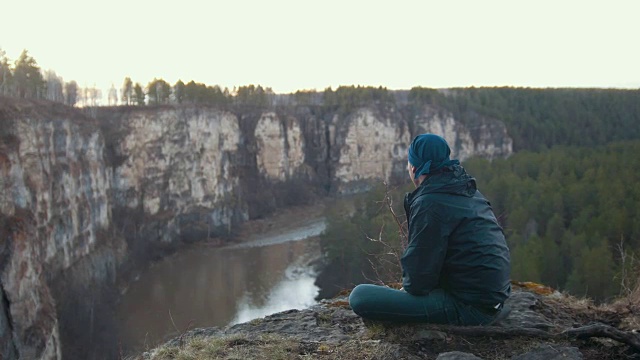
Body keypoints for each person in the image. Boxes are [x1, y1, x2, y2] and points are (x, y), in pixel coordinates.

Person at [349, 134, 511, 325]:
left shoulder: (430, 203)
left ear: (415, 168)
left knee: (360, 296)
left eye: (408, 163)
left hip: (470, 309)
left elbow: (418, 280)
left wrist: (409, 290)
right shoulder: (466, 189)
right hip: (493, 301)